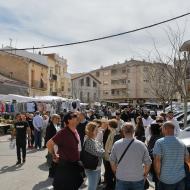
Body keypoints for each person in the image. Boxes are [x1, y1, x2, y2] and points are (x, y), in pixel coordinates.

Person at [46, 111, 83, 190]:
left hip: (74, 165)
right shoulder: (63, 132)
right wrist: (54, 155)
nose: (77, 117)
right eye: (74, 116)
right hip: (65, 167)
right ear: (68, 120)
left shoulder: (75, 130)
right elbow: (49, 144)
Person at [110, 122, 152, 190]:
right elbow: (148, 162)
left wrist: (116, 172)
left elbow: (112, 161)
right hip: (138, 178)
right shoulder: (141, 144)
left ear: (123, 131)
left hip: (121, 177)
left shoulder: (116, 144)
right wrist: (145, 175)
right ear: (134, 131)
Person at [153, 121, 190, 190]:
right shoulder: (181, 142)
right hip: (180, 178)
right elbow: (187, 159)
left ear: (165, 129)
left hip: (165, 178)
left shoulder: (159, 142)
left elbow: (157, 160)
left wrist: (158, 174)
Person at [83, 122, 105, 190]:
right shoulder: (89, 140)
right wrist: (102, 150)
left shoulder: (94, 140)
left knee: (94, 186)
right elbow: (100, 153)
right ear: (91, 131)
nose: (98, 131)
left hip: (96, 167)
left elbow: (101, 150)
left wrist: (101, 150)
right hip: (92, 168)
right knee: (92, 187)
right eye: (96, 130)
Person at [104, 119, 118, 190]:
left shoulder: (113, 133)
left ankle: (110, 187)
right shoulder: (113, 132)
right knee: (110, 173)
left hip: (110, 157)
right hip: (110, 157)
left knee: (109, 173)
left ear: (110, 125)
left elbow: (111, 146)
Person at [45, 114, 60, 178]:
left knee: (55, 159)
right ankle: (51, 174)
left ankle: (55, 173)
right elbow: (48, 137)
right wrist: (50, 146)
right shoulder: (49, 126)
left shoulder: (57, 125)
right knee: (51, 159)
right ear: (52, 119)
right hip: (52, 145)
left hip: (57, 145)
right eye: (56, 118)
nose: (58, 120)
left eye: (58, 118)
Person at [147, 123, 162, 190]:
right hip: (160, 164)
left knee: (158, 183)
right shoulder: (159, 137)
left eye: (150, 129)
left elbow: (151, 152)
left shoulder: (155, 138)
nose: (149, 131)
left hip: (157, 164)